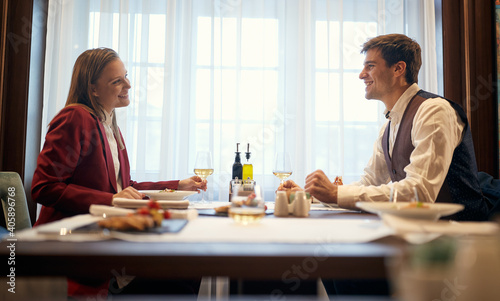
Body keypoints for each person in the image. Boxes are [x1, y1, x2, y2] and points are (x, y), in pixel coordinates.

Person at [31, 47, 206, 297]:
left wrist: (178, 184)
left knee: (187, 265)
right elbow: (44, 187)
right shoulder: (75, 117)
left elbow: (126, 187)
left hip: (103, 242)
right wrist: (110, 199)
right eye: (117, 81)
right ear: (93, 89)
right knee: (184, 268)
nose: (129, 85)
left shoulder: (108, 125)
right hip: (71, 250)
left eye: (126, 76)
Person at [281, 33, 491, 222]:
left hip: (462, 237)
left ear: (399, 69)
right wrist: (312, 195)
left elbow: (419, 192)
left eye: (370, 66)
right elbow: (369, 183)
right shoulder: (389, 126)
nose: (361, 74)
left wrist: (335, 193)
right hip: (420, 232)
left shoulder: (434, 111)